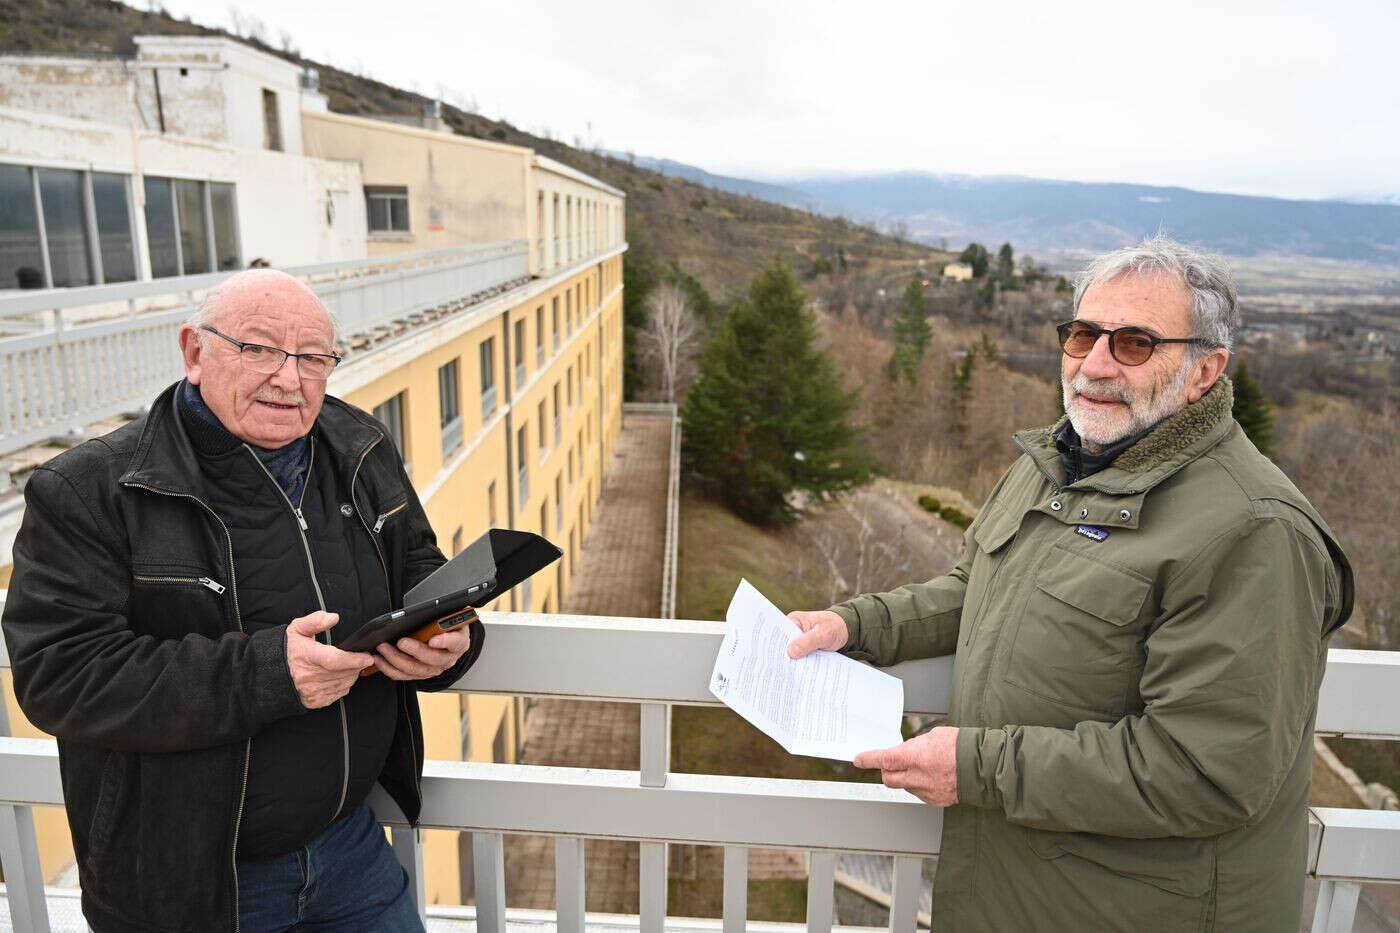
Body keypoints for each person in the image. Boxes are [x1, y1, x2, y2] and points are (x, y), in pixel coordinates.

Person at [787, 237, 1353, 933]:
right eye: (1083, 334)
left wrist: (976, 765)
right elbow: (981, 587)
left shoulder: (1255, 531)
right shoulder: (1062, 458)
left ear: (1205, 370)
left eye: (1135, 343)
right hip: (1021, 895)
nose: (1095, 364)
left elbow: (1204, 771)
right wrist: (856, 625)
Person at [1, 269, 483, 932]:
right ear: (194, 352)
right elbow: (60, 675)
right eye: (258, 349)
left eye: (313, 357)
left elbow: (422, 573)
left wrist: (453, 640)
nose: (289, 379)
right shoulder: (91, 489)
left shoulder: (359, 444)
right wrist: (264, 674)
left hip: (351, 850)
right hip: (194, 887)